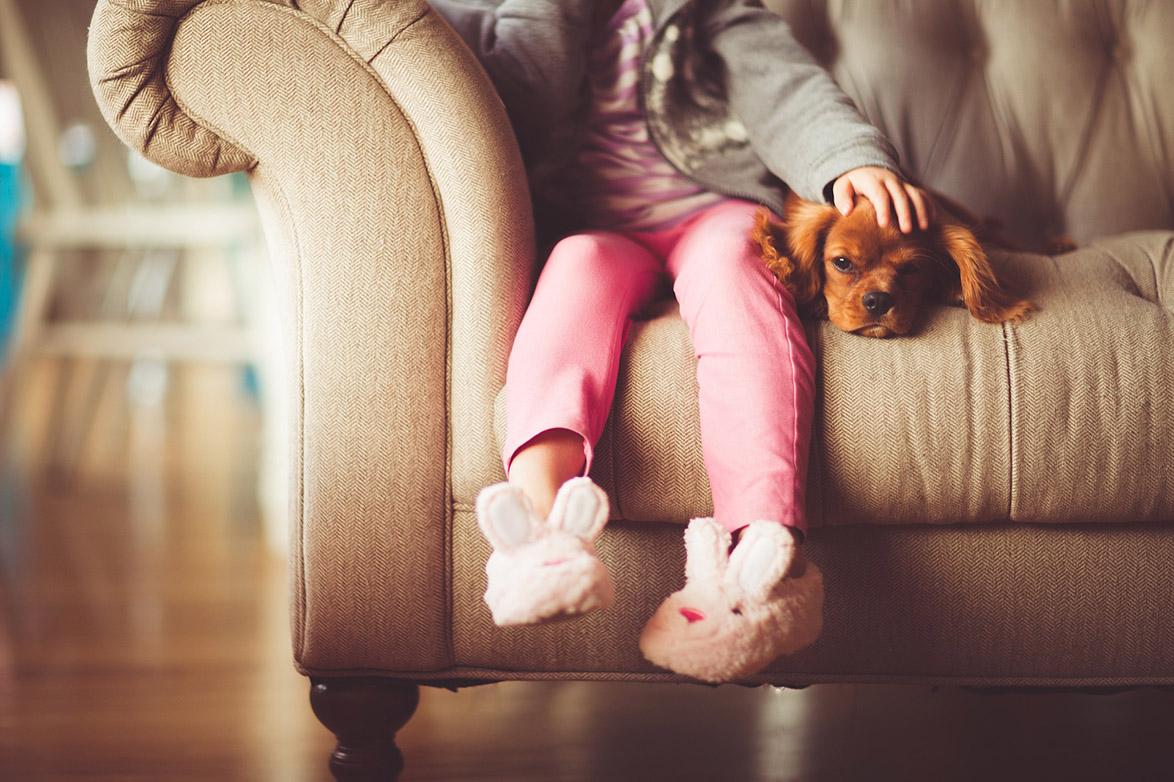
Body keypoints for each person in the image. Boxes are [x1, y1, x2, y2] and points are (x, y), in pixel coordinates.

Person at [430, 0, 933, 682]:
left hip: (711, 210)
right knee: (573, 274)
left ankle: (762, 557)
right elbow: (507, 106)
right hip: (591, 225)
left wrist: (845, 161)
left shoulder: (709, 9)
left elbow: (785, 87)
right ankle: (543, 530)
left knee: (738, 271)